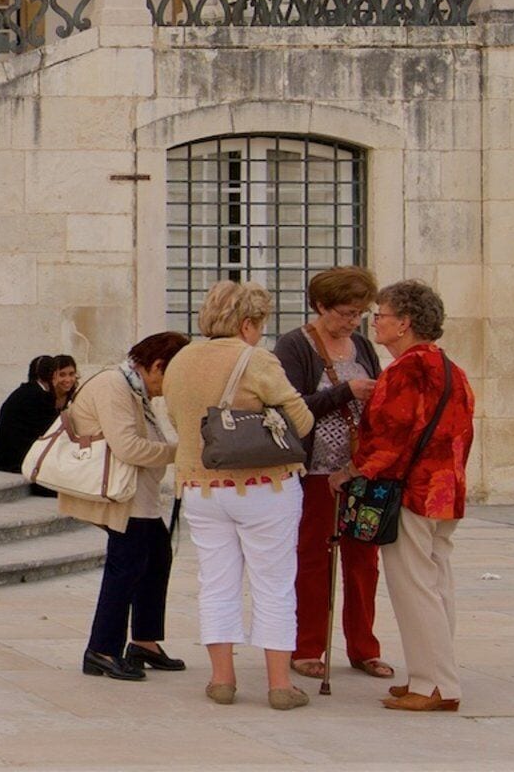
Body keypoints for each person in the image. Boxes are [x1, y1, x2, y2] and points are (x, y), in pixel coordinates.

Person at [163, 279, 315, 711]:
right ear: (247, 323)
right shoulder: (255, 360)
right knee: (274, 583)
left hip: (201, 486)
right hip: (265, 485)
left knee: (215, 582)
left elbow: (179, 418)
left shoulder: (180, 361)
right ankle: (280, 684)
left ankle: (222, 679)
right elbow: (301, 421)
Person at [353, 278, 478, 714]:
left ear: (404, 323)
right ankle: (431, 676)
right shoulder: (451, 369)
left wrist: (354, 472)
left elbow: (388, 438)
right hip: (445, 490)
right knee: (437, 584)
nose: (376, 323)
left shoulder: (405, 371)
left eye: (381, 315)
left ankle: (437, 685)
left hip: (410, 491)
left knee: (414, 588)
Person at [274, 265, 388, 690]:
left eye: (359, 313)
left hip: (358, 469)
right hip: (314, 472)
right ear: (321, 306)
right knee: (313, 559)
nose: (353, 321)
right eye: (344, 312)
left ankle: (364, 647)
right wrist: (345, 392)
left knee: (364, 562)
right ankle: (307, 648)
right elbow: (289, 408)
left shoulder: (360, 345)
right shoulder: (295, 346)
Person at [58, 331, 188, 681]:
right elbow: (129, 447)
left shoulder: (133, 386)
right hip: (121, 496)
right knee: (126, 566)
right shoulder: (114, 386)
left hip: (138, 495)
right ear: (157, 366)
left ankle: (144, 641)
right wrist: (180, 452)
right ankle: (101, 649)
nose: (168, 388)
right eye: (170, 377)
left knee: (157, 557)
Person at [0, 353, 79, 473]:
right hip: (15, 458)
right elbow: (50, 428)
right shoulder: (36, 395)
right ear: (52, 375)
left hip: (11, 453)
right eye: (59, 374)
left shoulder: (33, 391)